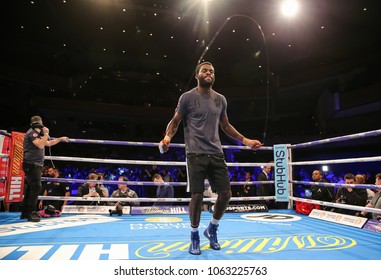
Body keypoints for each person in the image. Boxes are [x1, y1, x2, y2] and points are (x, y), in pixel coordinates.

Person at [159, 61, 262, 255]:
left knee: (226, 194)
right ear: (197, 75)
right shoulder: (187, 97)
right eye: (205, 70)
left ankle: (212, 228)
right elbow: (175, 122)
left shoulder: (221, 99)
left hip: (216, 152)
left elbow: (225, 126)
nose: (209, 73)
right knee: (197, 196)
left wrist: (246, 141)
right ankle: (194, 235)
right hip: (195, 153)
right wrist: (167, 137)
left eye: (212, 71)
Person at [21, 115, 69, 222]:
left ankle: (25, 212)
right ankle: (31, 212)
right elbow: (41, 145)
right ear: (39, 123)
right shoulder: (32, 133)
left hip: (34, 164)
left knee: (31, 187)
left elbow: (48, 143)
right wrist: (46, 134)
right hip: (32, 164)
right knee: (36, 187)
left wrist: (60, 138)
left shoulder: (37, 134)